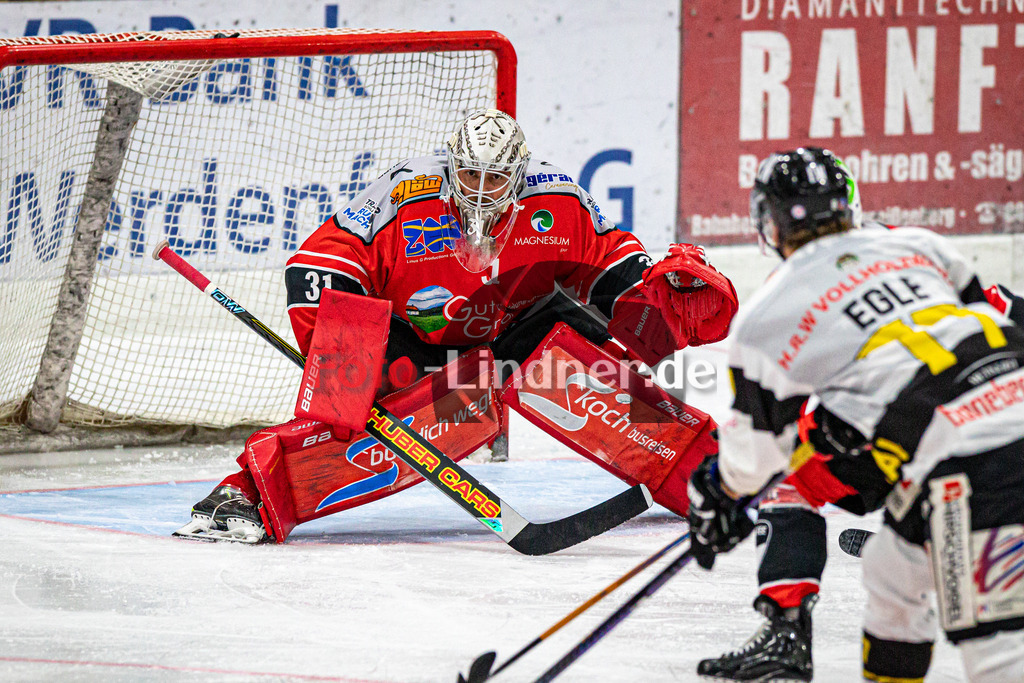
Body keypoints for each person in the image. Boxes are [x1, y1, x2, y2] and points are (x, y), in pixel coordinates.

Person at [182, 109, 737, 541]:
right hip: (413, 351)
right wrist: (340, 357)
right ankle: (249, 495)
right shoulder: (404, 194)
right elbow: (320, 263)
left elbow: (614, 263)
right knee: (375, 409)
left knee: (574, 365)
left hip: (509, 347)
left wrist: (652, 298)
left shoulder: (559, 200)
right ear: (451, 164)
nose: (479, 186)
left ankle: (710, 479)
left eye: (495, 177)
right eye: (469, 172)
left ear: (519, 176)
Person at [687, 146, 1024, 682]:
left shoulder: (768, 315)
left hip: (975, 458)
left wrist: (716, 497)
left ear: (768, 223)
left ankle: (786, 626)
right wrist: (860, 409)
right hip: (974, 425)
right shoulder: (915, 244)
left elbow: (756, 459)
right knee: (891, 576)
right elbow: (1005, 318)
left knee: (999, 657)